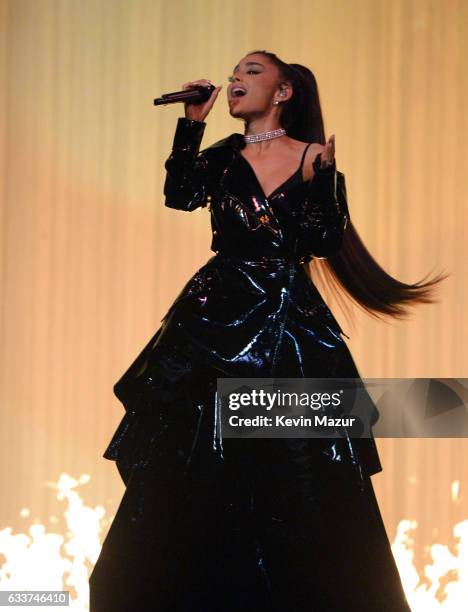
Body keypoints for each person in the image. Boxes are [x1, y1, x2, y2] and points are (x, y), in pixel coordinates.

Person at [89, 50, 446, 611]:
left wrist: (323, 182)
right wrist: (191, 123)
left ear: (283, 94)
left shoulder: (313, 157)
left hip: (287, 329)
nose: (235, 80)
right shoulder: (223, 157)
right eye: (233, 74)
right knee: (192, 461)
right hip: (213, 316)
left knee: (299, 474)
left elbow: (325, 241)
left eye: (250, 73)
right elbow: (179, 194)